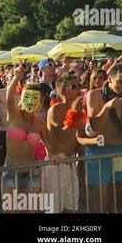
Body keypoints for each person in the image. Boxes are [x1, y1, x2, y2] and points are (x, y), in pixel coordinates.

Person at [2, 66, 61, 212]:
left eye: (36, 99)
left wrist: (53, 155)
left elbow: (48, 145)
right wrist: (16, 77)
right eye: (27, 97)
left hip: (32, 172)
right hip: (10, 171)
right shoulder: (14, 115)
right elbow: (9, 97)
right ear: (21, 99)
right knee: (10, 210)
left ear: (41, 104)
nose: (31, 102)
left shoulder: (40, 124)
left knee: (31, 210)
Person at [86, 63, 122, 212]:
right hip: (100, 152)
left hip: (121, 150)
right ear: (109, 79)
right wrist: (107, 106)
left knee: (120, 198)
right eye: (120, 81)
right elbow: (94, 126)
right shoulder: (95, 95)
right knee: (100, 198)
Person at [43, 74, 83, 213]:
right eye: (73, 86)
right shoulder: (56, 109)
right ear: (62, 91)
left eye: (78, 85)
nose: (78, 89)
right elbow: (61, 136)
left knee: (71, 207)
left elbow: (79, 136)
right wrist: (73, 113)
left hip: (71, 162)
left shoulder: (78, 109)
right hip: (56, 163)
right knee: (53, 209)